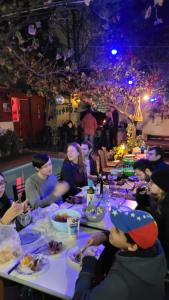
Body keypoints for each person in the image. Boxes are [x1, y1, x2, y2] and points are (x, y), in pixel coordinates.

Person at [73, 208, 166, 300]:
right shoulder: (153, 244)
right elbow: (126, 237)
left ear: (133, 247)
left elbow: (80, 297)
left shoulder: (121, 281)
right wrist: (104, 236)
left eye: (117, 231)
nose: (111, 229)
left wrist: (88, 266)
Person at [149, 168, 169, 268]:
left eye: (152, 183)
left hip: (162, 254)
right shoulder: (160, 198)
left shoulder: (166, 208)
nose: (149, 184)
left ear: (162, 186)